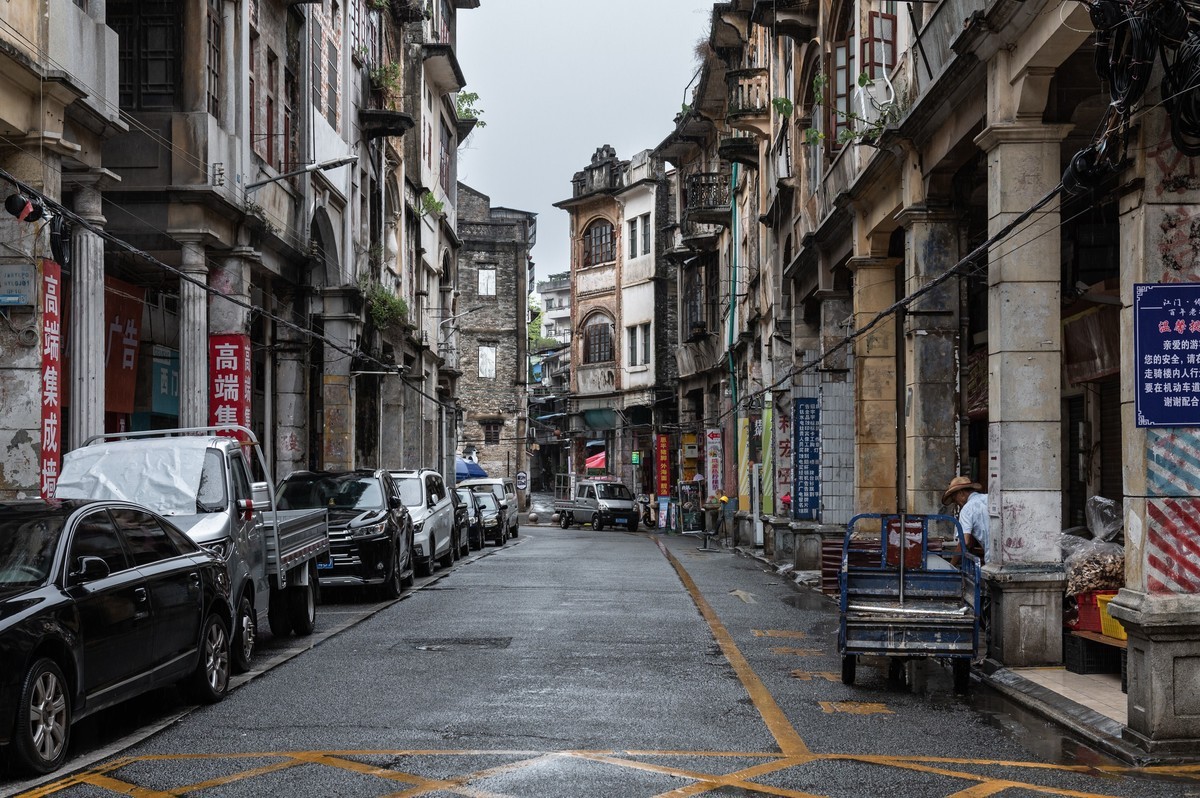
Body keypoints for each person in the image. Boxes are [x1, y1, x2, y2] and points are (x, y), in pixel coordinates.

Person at [942, 476, 988, 562]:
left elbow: (965, 542)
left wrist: (952, 565)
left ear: (961, 493)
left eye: (955, 499)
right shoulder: (989, 498)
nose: (956, 503)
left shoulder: (967, 509)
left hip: (992, 557)